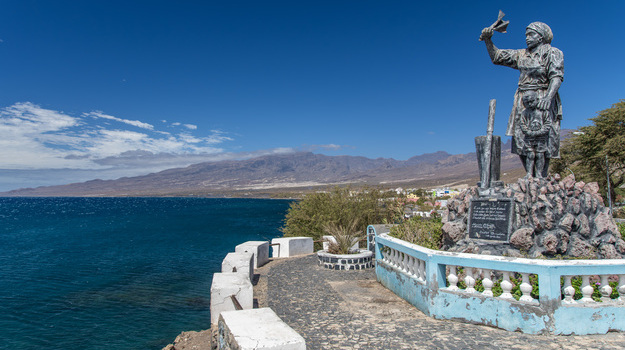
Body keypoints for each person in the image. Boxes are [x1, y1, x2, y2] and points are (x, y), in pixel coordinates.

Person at [481, 21, 563, 178]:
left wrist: (548, 97)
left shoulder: (553, 53)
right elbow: (497, 57)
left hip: (543, 96)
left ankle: (541, 176)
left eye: (531, 34)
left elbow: (556, 76)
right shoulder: (521, 54)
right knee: (520, 138)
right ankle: (529, 176)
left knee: (544, 139)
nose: (527, 38)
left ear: (541, 37)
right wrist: (488, 40)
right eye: (526, 35)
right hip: (523, 100)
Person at [519, 91, 551, 178]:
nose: (529, 104)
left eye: (531, 101)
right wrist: (528, 132)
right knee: (530, 155)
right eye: (527, 102)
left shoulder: (543, 112)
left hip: (541, 137)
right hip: (529, 138)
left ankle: (539, 174)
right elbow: (522, 124)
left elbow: (547, 124)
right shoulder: (524, 113)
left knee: (540, 155)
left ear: (537, 99)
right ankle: (529, 173)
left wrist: (540, 132)